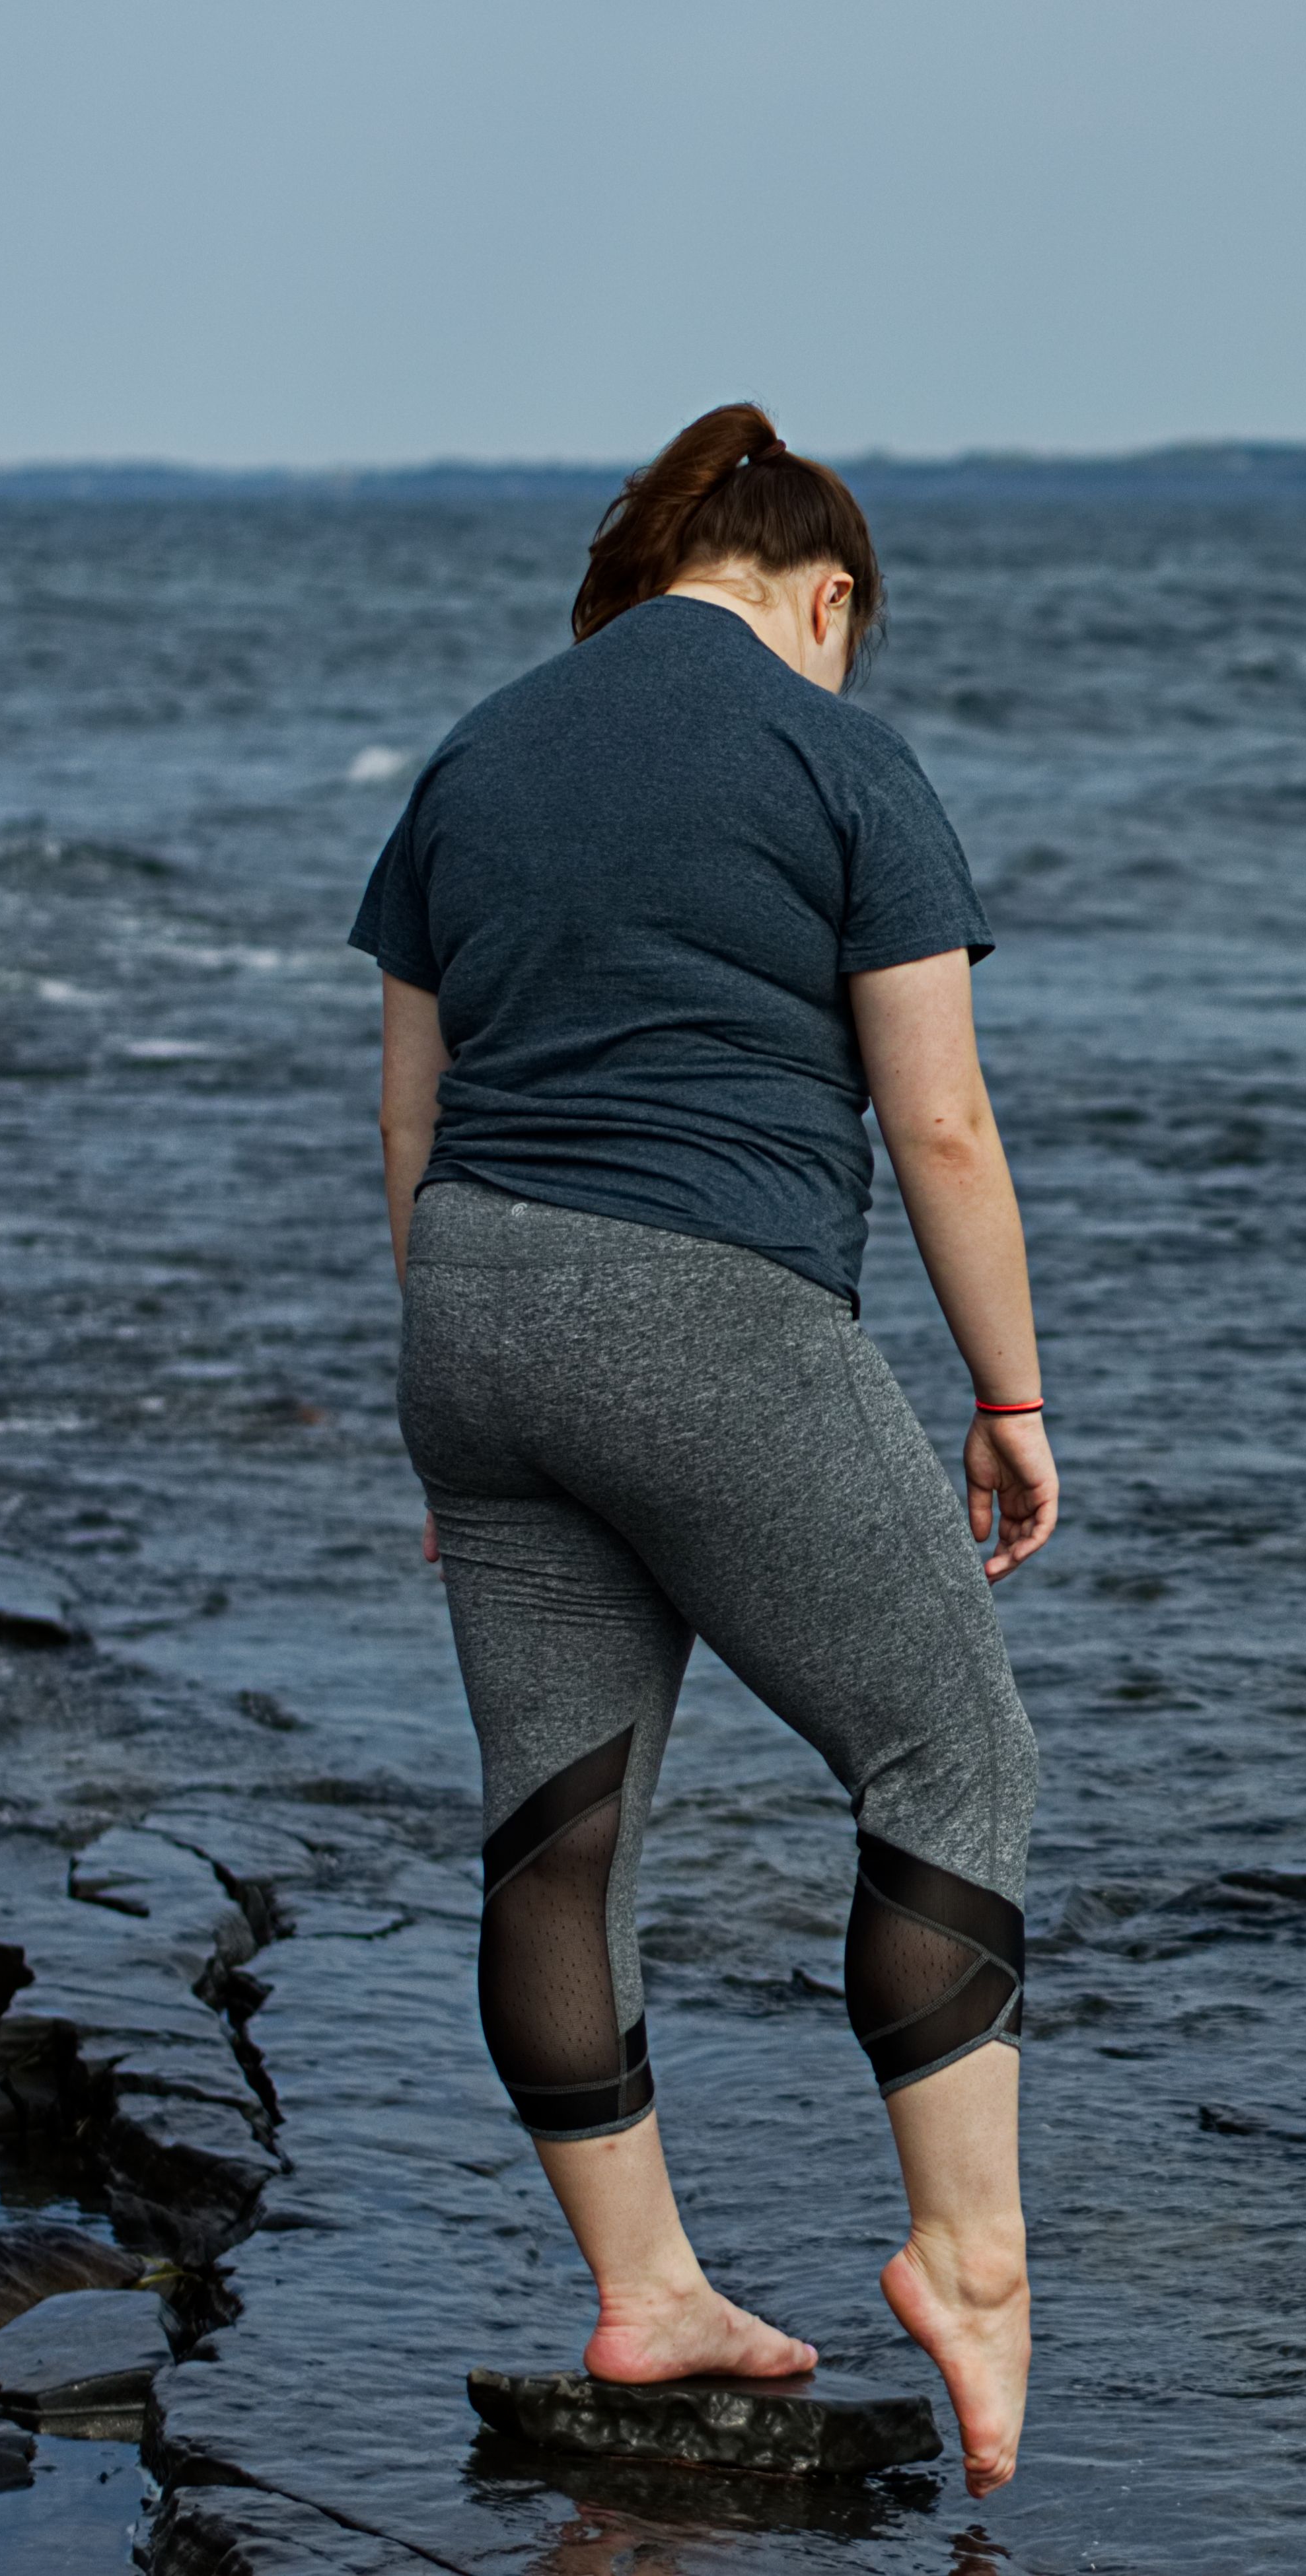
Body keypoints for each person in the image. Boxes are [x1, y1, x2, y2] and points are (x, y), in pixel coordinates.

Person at [351, 403, 1050, 2495]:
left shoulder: (473, 755)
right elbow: (938, 1120)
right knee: (953, 1759)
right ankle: (969, 2254)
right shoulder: (838, 754)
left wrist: (462, 1398)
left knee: (558, 1832)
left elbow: (411, 1116)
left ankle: (648, 2288)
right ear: (823, 592)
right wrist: (1009, 1400)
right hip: (708, 1302)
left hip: (468, 1314)